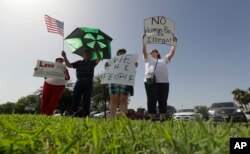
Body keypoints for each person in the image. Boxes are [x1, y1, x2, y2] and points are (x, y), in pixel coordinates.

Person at [142, 33, 177, 122]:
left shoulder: (164, 59)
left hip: (164, 82)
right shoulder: (147, 58)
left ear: (158, 53)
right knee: (151, 99)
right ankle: (152, 119)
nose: (154, 52)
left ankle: (163, 119)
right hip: (150, 81)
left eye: (155, 51)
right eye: (152, 51)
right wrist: (144, 41)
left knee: (163, 100)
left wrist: (174, 43)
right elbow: (144, 51)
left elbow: (171, 53)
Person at [61, 50, 101, 117]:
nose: (87, 55)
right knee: (76, 97)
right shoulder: (79, 62)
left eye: (88, 54)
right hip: (79, 81)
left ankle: (86, 114)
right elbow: (69, 65)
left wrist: (96, 50)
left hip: (88, 82)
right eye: (86, 54)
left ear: (90, 56)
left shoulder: (93, 63)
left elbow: (99, 58)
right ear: (83, 55)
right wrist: (64, 56)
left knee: (87, 98)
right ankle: (73, 112)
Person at [105, 49, 138, 118]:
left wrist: (134, 66)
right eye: (120, 53)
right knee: (113, 99)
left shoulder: (129, 61)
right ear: (117, 54)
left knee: (124, 100)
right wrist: (107, 66)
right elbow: (106, 66)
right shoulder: (113, 60)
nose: (122, 54)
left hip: (125, 81)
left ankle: (122, 119)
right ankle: (112, 119)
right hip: (114, 81)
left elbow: (133, 70)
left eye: (124, 53)